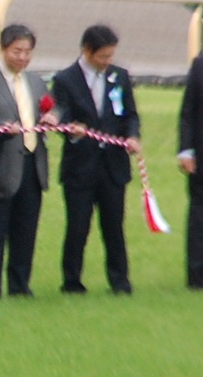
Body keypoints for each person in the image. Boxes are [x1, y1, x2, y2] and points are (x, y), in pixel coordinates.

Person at [53, 24, 141, 295]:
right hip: (80, 168)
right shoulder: (65, 79)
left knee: (114, 227)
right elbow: (60, 115)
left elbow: (130, 115)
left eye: (110, 55)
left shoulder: (119, 77)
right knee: (78, 227)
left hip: (113, 167)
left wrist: (132, 136)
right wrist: (72, 130)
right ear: (87, 51)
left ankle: (120, 281)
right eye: (103, 56)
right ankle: (72, 281)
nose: (107, 61)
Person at [0, 25, 57, 298]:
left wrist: (52, 118)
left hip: (32, 166)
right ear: (3, 49)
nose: (22, 57)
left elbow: (50, 108)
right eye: (17, 51)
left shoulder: (36, 82)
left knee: (25, 232)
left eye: (27, 52)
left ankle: (20, 286)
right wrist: (1, 128)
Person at [179, 52, 203, 289]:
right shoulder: (200, 64)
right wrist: (185, 150)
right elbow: (189, 110)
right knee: (199, 215)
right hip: (201, 156)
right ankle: (197, 276)